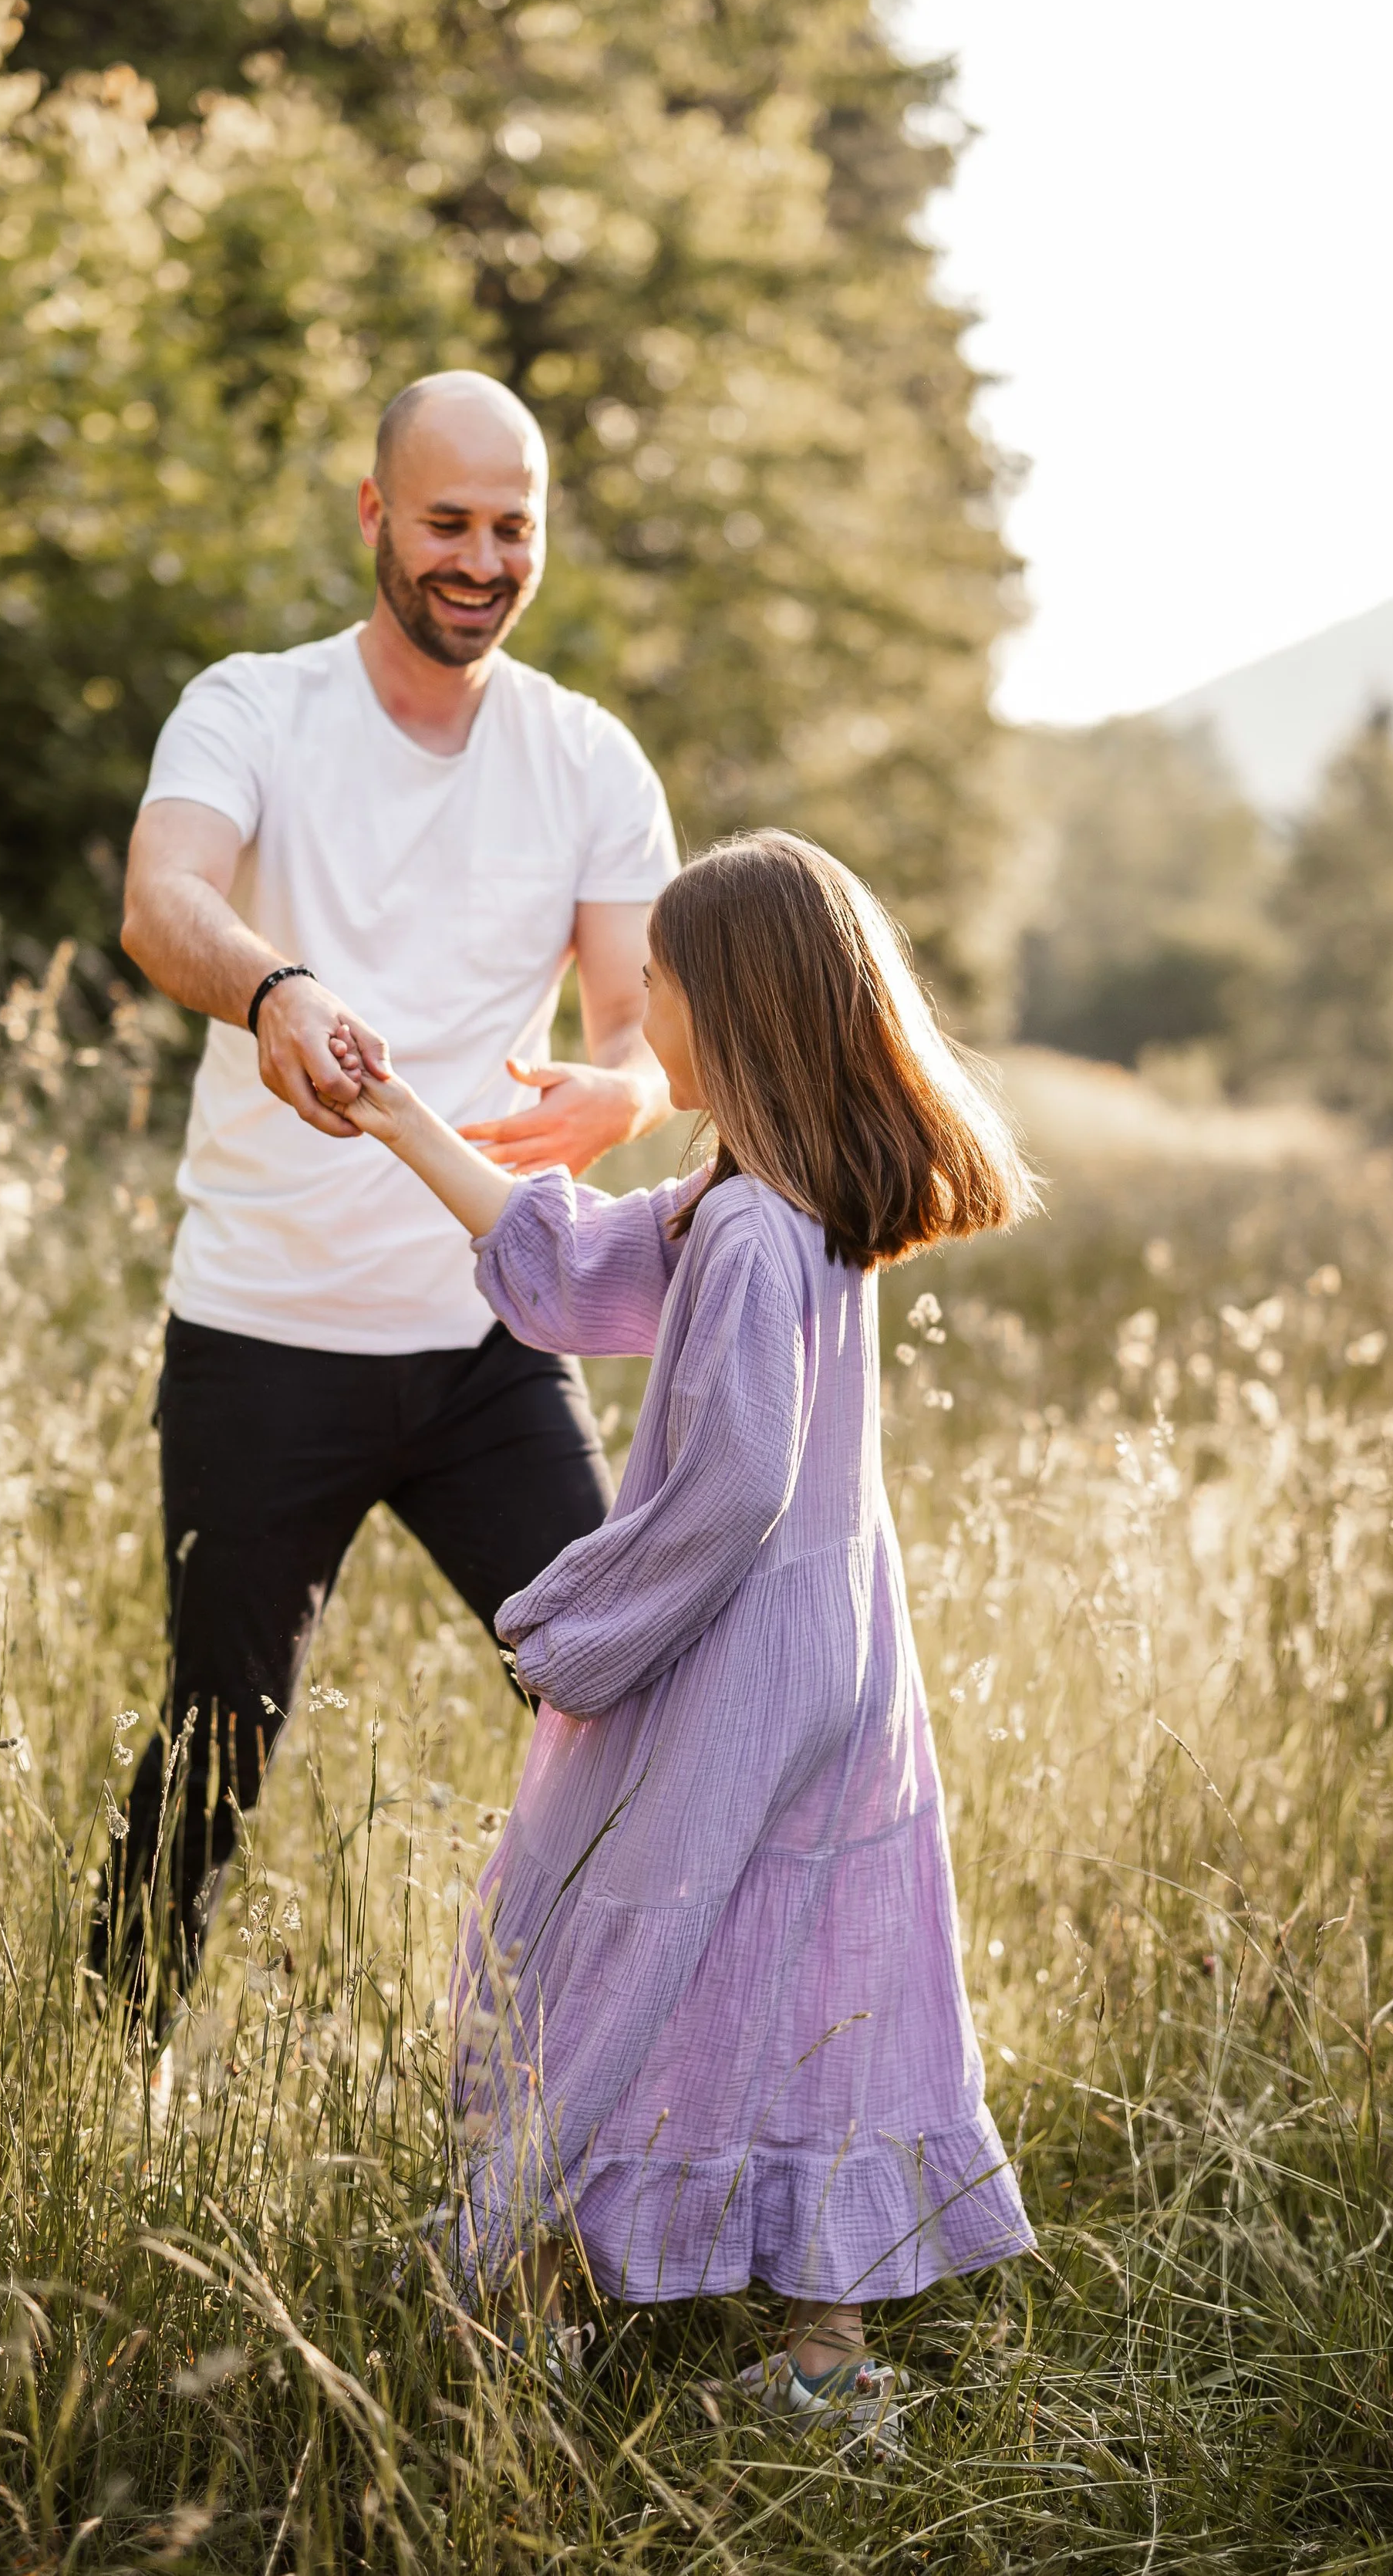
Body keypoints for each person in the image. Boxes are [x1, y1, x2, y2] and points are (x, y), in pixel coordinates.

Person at [346, 830, 1040, 2455]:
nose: (632, 1005)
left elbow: (728, 1487)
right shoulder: (781, 1201)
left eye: (649, 978)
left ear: (719, 1008)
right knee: (813, 1961)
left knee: (592, 1940)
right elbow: (576, 1269)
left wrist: (568, 1633)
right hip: (843, 1656)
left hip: (740, 1660)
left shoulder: (743, 1231)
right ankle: (823, 2357)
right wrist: (401, 1124)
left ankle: (504, 2298)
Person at [93, 370, 677, 2010]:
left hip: (489, 1341)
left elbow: (641, 1032)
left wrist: (615, 1093)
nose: (479, 559)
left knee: (609, 1699)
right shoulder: (253, 709)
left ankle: (618, 2076)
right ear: (373, 516)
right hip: (263, 1335)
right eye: (446, 523)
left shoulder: (585, 756)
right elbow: (163, 901)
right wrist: (274, 990)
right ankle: (114, 2057)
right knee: (222, 1736)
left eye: (513, 528)